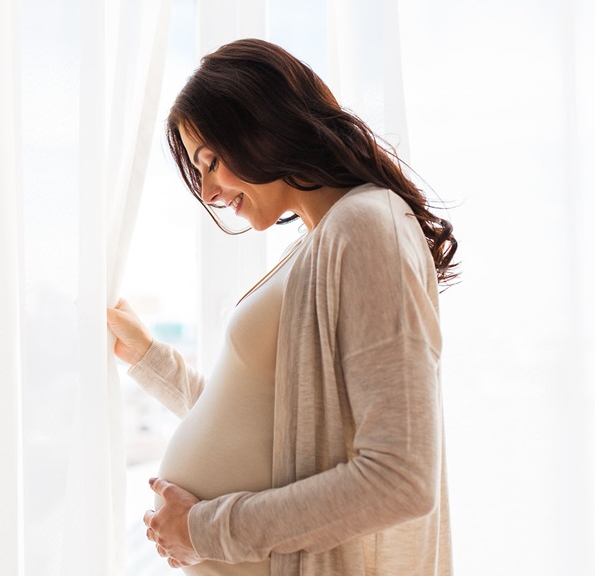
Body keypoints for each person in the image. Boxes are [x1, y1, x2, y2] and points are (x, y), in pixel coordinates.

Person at [107, 38, 457, 576]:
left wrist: (204, 530)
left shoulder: (365, 227)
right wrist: (149, 358)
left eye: (212, 161)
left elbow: (400, 478)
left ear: (262, 125)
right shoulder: (326, 238)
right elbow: (271, 428)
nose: (208, 190)